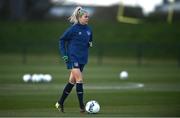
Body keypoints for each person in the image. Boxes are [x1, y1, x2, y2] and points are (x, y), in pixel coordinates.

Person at [55, 6, 93, 113]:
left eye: (88, 17)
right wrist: (64, 55)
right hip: (73, 58)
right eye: (86, 17)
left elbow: (90, 40)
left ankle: (59, 103)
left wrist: (89, 44)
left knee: (71, 82)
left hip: (82, 59)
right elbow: (61, 40)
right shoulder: (73, 29)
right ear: (80, 17)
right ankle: (82, 106)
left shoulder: (89, 29)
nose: (87, 18)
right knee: (79, 80)